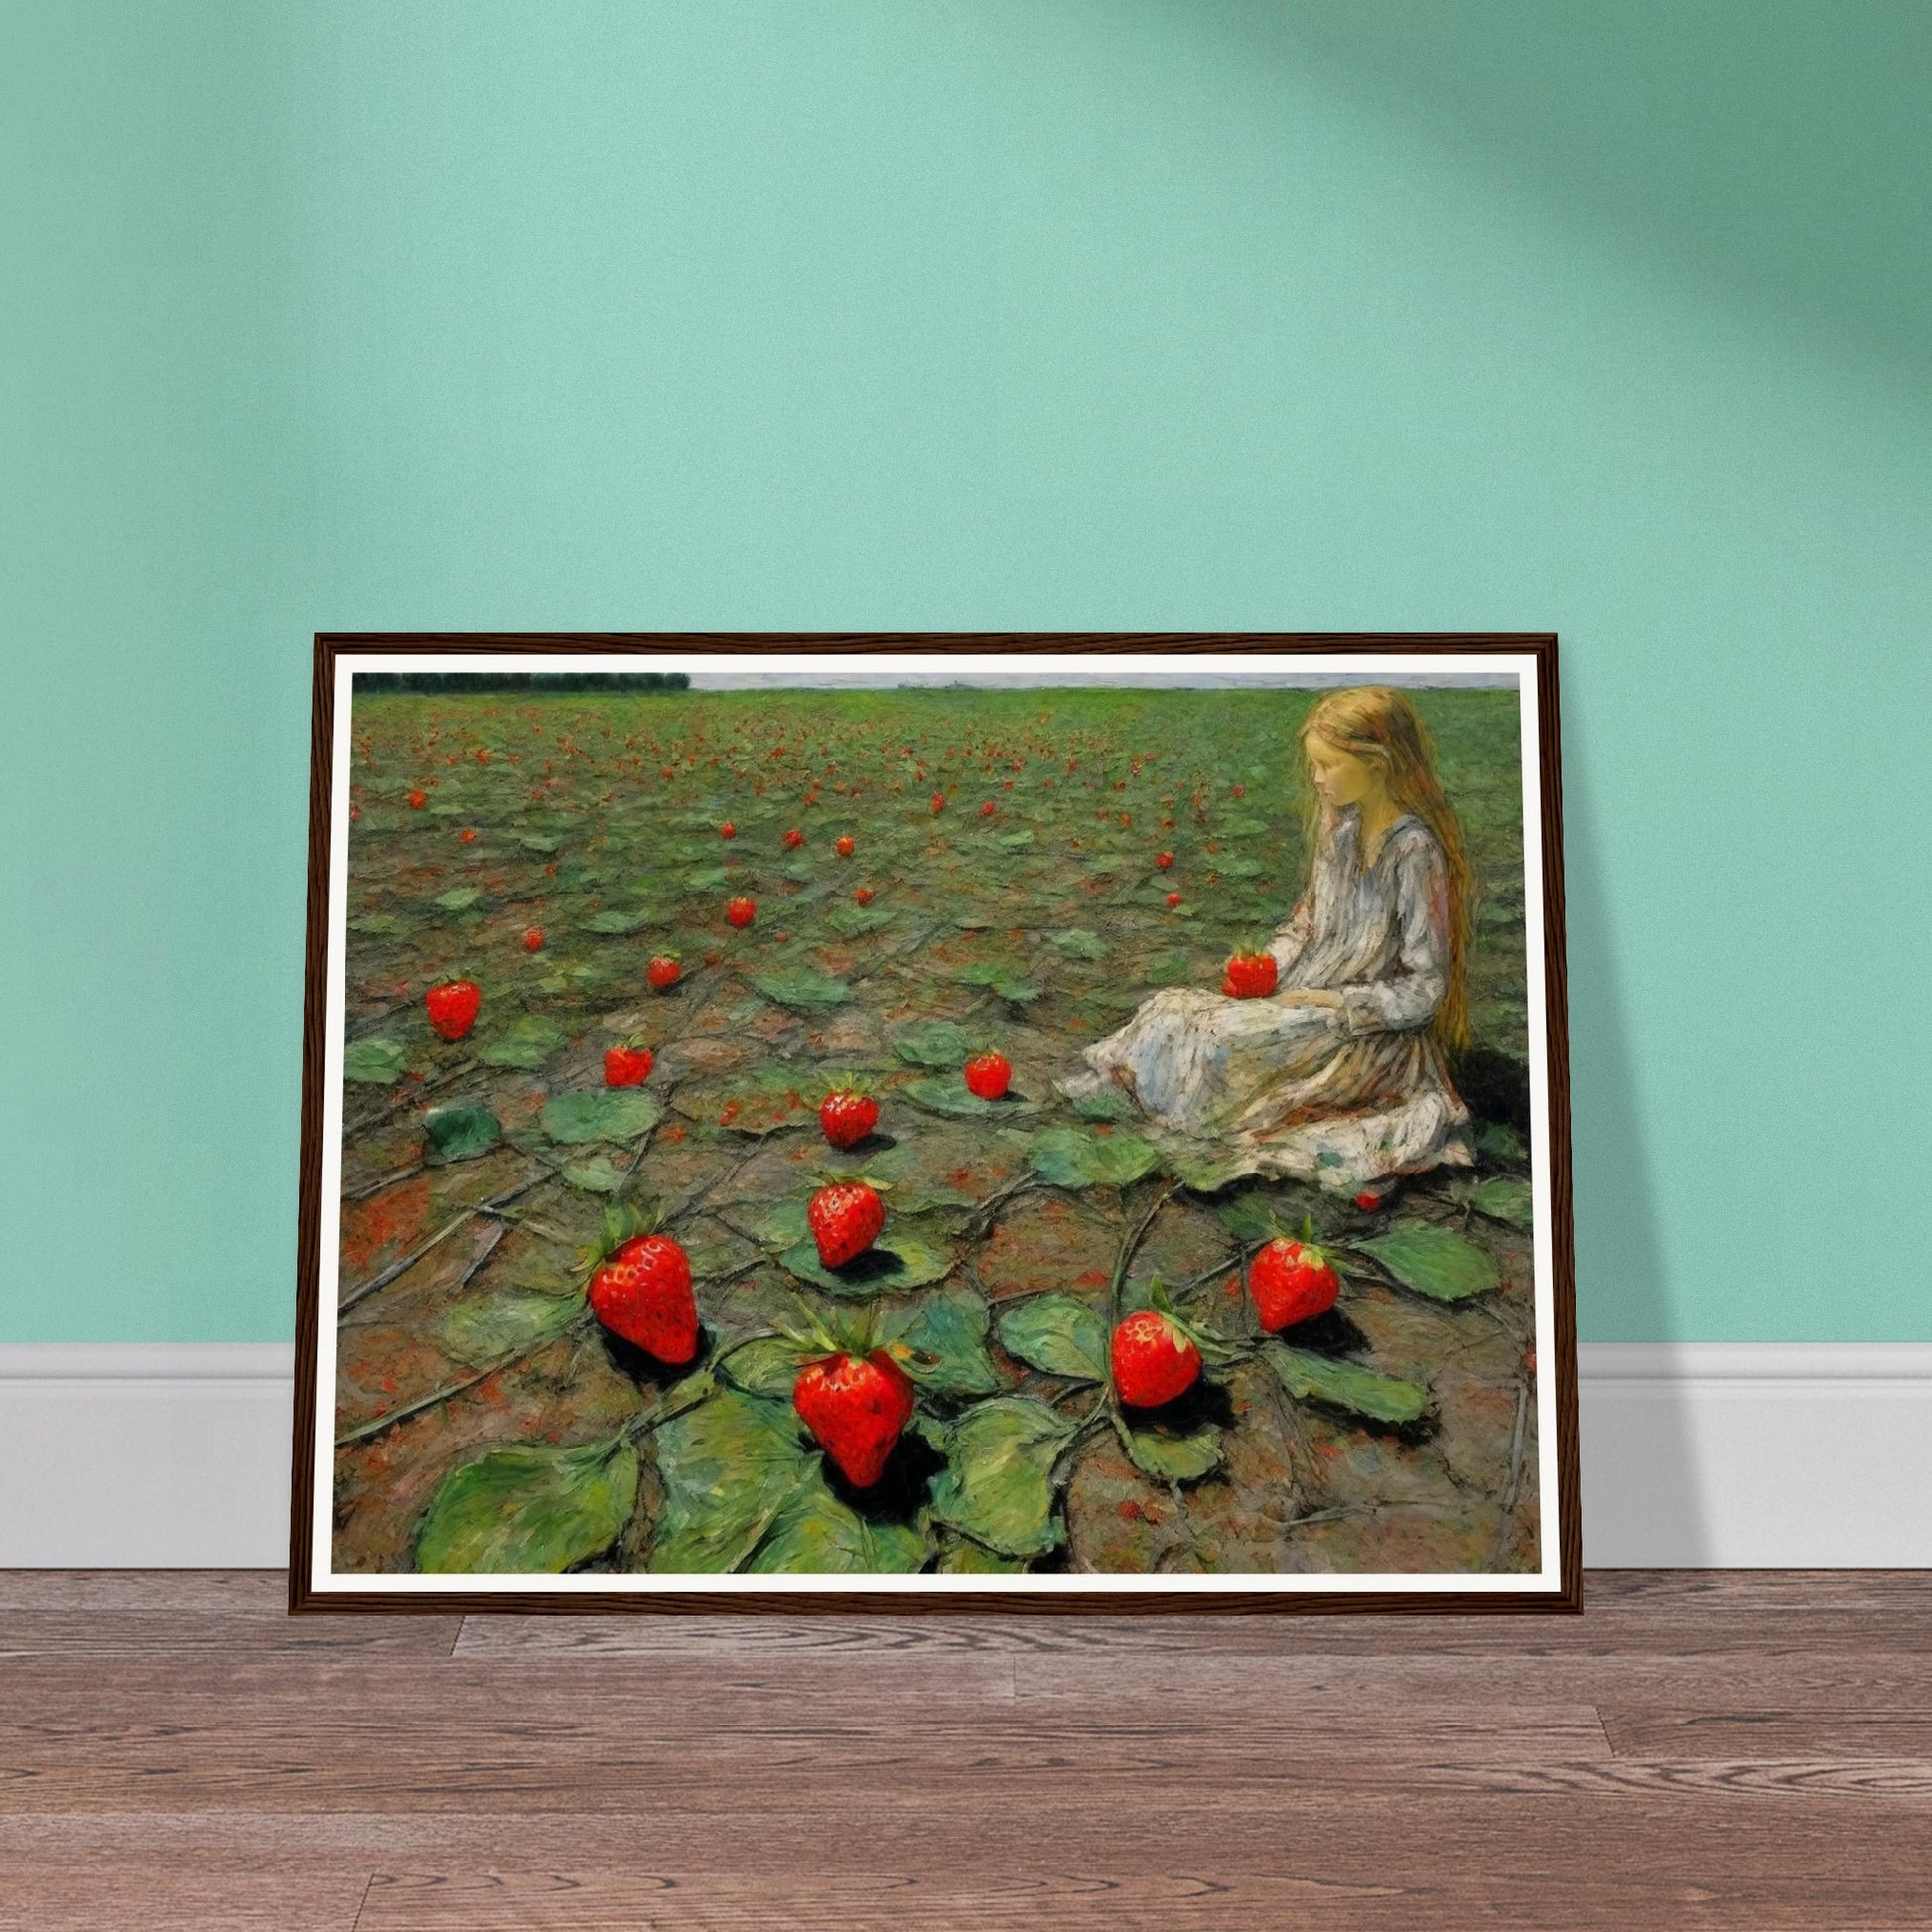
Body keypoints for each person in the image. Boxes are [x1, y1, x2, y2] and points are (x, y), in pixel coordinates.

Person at [1054, 684, 1478, 1195]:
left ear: (1379, 764)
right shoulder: (1340, 831)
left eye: (1329, 765)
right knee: (1168, 1010)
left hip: (1364, 1034)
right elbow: (1307, 924)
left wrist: (1332, 1001)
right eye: (1314, 766)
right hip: (1303, 998)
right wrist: (1268, 969)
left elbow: (1425, 988)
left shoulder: (1412, 851)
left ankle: (1191, 1119)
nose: (1317, 779)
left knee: (1218, 1044)